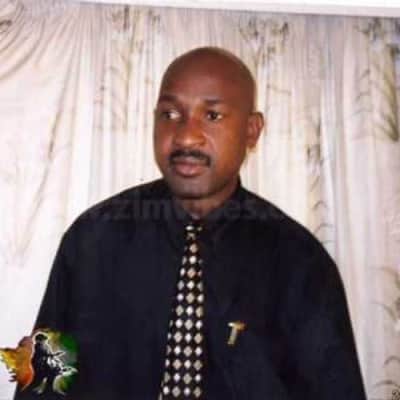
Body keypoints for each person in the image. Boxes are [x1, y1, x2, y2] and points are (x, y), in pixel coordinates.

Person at [15, 47, 366, 399]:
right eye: (170, 114)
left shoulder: (298, 263)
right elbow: (43, 382)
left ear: (251, 131)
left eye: (212, 115)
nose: (185, 137)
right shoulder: (93, 241)